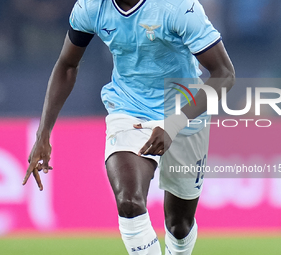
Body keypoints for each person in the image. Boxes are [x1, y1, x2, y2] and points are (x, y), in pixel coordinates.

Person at [23, 0, 235, 254]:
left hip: (185, 112)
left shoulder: (177, 7)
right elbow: (67, 66)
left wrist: (174, 124)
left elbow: (224, 73)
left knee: (179, 224)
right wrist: (44, 132)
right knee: (129, 201)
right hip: (129, 109)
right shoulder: (91, 7)